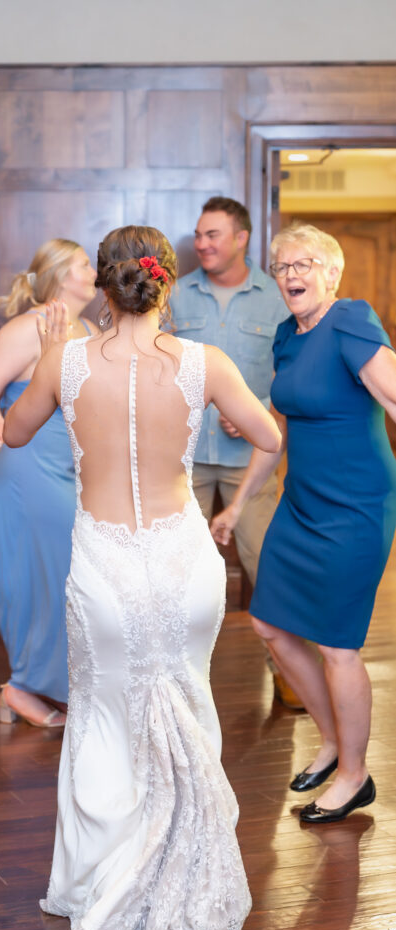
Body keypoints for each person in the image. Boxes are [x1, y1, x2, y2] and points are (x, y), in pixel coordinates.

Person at [2, 226, 281, 930]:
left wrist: (54, 377)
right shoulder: (204, 363)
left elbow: (15, 433)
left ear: (104, 284)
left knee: (106, 712)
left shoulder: (66, 360)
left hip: (104, 563)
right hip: (182, 560)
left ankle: (104, 876)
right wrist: (223, 410)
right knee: (184, 697)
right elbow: (269, 437)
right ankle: (186, 871)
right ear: (164, 283)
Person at [211, 223, 396, 824]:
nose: (291, 274)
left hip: (356, 507)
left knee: (337, 644)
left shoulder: (350, 321)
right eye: (282, 266)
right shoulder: (289, 337)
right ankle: (334, 740)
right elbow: (278, 428)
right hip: (302, 504)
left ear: (331, 274)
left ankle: (355, 775)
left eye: (304, 264)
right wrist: (238, 506)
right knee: (269, 622)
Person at [170, 197, 301, 708]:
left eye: (213, 235)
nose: (202, 244)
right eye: (199, 235)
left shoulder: (277, 299)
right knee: (178, 571)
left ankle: (290, 673)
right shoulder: (175, 295)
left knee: (269, 566)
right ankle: (176, 681)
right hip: (184, 461)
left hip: (255, 463)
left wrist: (258, 408)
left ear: (242, 238)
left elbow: (293, 371)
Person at [0, 239, 96, 728]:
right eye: (86, 264)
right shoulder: (30, 326)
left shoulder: (87, 329)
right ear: (64, 275)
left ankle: (52, 683)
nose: (94, 271)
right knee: (37, 575)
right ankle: (21, 685)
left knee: (66, 575)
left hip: (66, 467)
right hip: (24, 463)